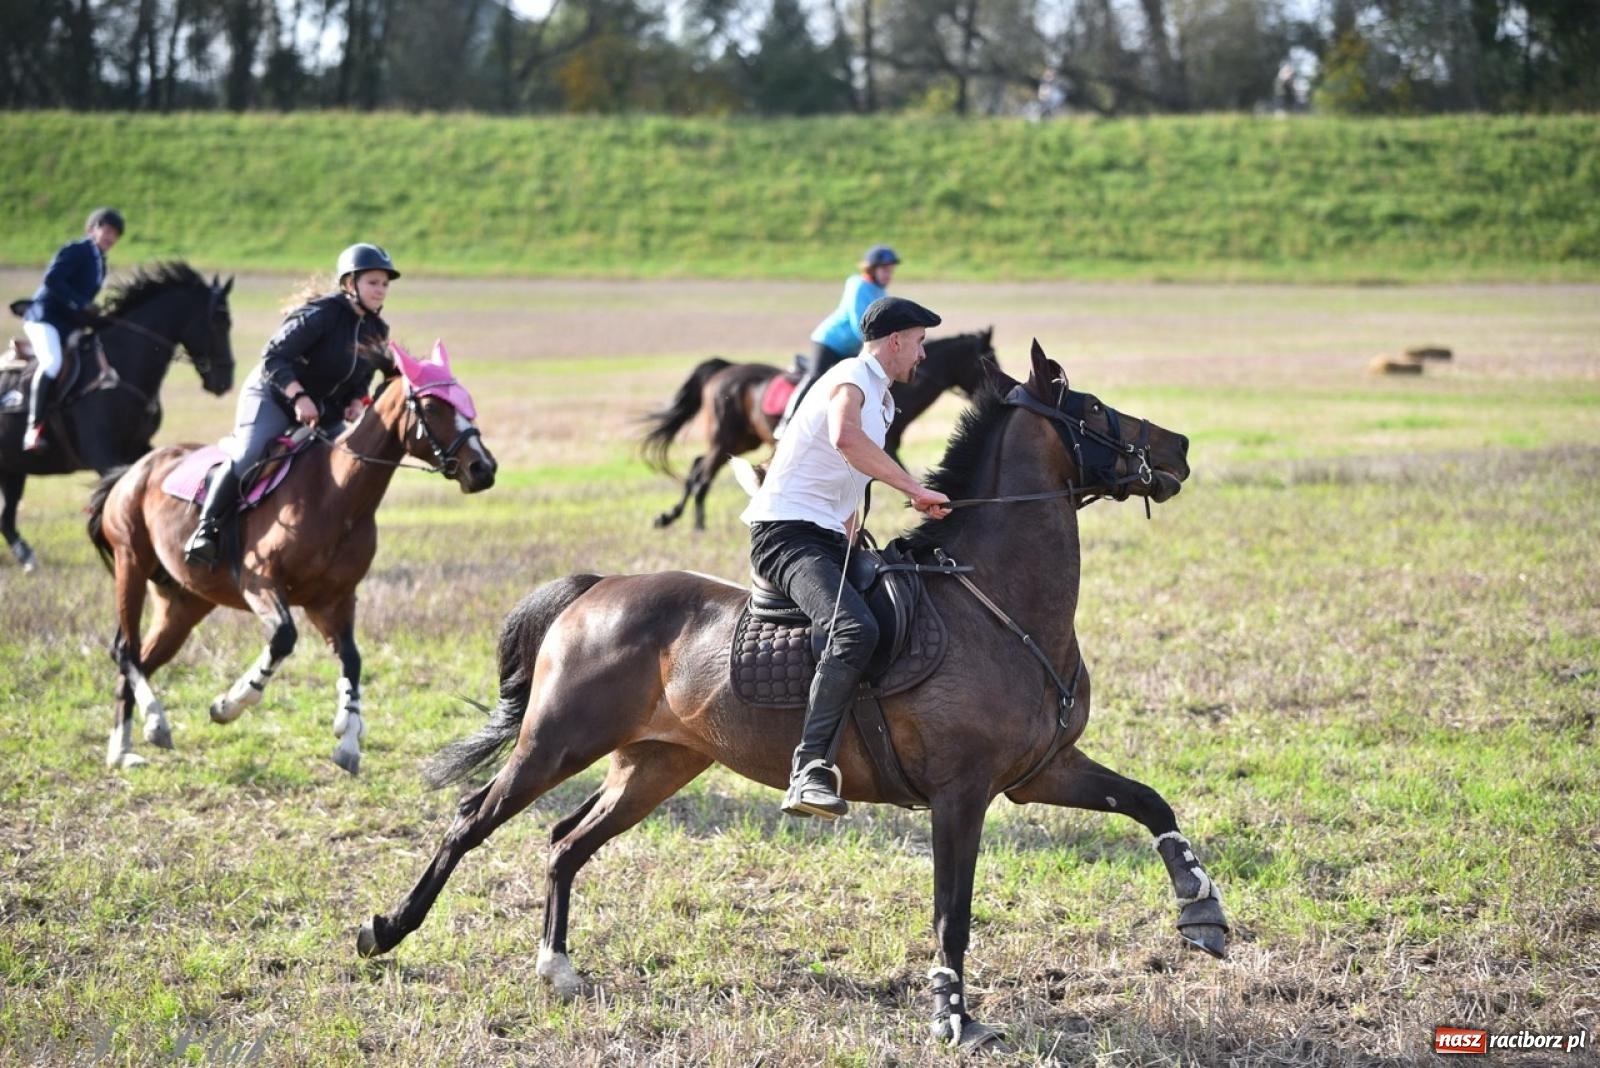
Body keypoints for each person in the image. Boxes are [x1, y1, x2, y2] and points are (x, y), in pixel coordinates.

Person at [743, 295, 953, 820]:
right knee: (853, 629)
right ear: (897, 340)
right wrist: (914, 487)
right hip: (786, 536)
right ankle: (809, 769)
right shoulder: (853, 375)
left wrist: (853, 529)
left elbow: (845, 476)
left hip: (826, 538)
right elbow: (844, 438)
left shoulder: (880, 396)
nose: (923, 356)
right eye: (920, 343)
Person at [183, 243, 400, 566]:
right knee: (249, 454)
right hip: (272, 394)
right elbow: (273, 357)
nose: (380, 290)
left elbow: (361, 378)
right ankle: (206, 530)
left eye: (384, 284)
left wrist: (357, 401)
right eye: (372, 282)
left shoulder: (377, 329)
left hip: (321, 412)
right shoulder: (322, 314)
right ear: (349, 283)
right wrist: (299, 396)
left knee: (345, 464)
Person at [20, 208, 124, 452]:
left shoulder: (101, 263)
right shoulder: (77, 250)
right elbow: (52, 280)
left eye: (115, 234)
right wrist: (81, 304)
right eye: (106, 230)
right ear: (92, 229)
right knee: (52, 362)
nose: (110, 237)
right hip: (44, 319)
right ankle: (32, 429)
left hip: (67, 325)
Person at [774, 244, 899, 439]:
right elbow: (861, 325)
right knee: (815, 377)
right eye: (884, 270)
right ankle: (787, 423)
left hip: (855, 347)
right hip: (829, 342)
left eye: (890, 270)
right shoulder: (858, 285)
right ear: (871, 269)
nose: (888, 275)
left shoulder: (881, 292)